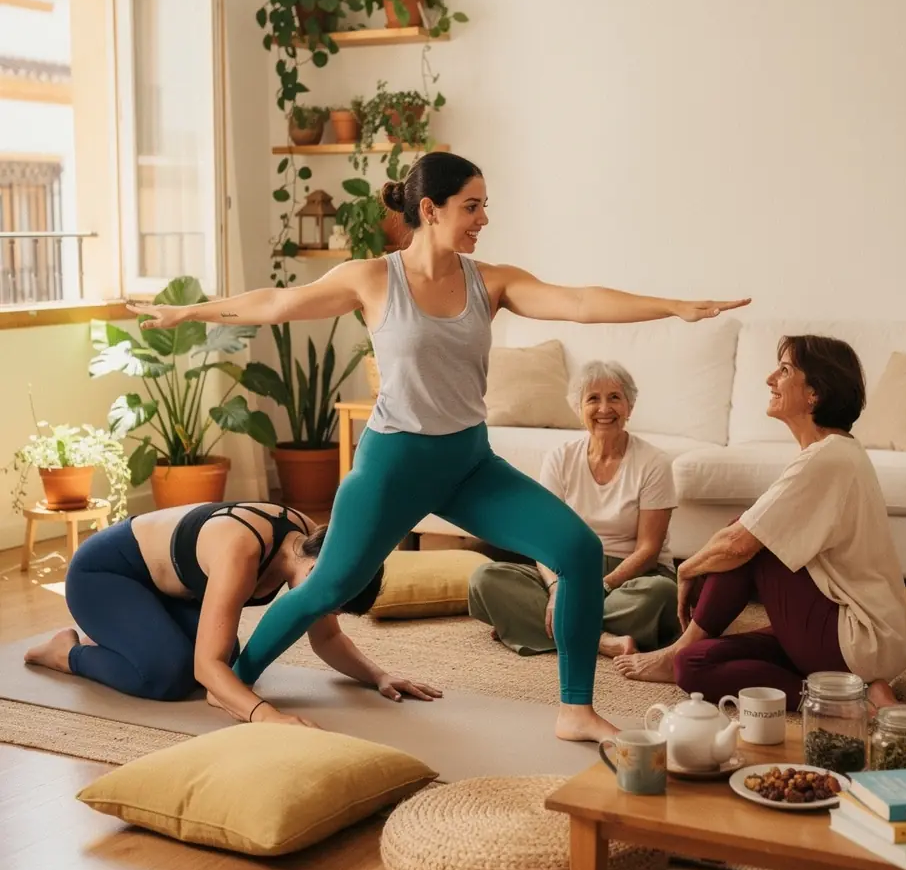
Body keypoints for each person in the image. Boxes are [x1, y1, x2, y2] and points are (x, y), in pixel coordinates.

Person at [125, 151, 750, 742]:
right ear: (430, 210)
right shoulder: (373, 279)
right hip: (392, 466)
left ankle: (576, 711)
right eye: (472, 206)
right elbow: (277, 303)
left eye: (485, 205)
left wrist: (673, 307)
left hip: (467, 463)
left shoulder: (491, 282)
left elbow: (580, 302)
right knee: (326, 589)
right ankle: (233, 682)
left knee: (579, 551)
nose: (485, 219)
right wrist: (190, 313)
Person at [613, 335, 906, 714]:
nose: (770, 379)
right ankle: (855, 695)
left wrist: (687, 568)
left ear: (814, 394)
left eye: (784, 370)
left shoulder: (827, 459)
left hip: (854, 638)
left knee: (751, 538)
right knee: (692, 667)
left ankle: (841, 698)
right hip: (846, 639)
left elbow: (739, 544)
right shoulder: (834, 453)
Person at [24, 502, 440, 727]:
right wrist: (268, 717)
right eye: (330, 605)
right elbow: (207, 669)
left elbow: (327, 639)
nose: (323, 612)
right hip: (105, 575)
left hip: (170, 591)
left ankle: (129, 634)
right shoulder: (242, 550)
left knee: (227, 654)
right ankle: (66, 653)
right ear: (316, 571)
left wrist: (378, 675)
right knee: (167, 675)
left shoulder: (313, 546)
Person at [468, 360, 680, 658]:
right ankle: (601, 641)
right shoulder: (560, 458)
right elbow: (545, 540)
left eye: (615, 398)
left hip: (631, 576)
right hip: (570, 571)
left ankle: (528, 624)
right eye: (593, 399)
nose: (604, 408)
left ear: (630, 407)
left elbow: (648, 550)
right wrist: (556, 590)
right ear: (579, 409)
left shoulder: (654, 462)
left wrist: (600, 588)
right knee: (485, 581)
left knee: (662, 597)